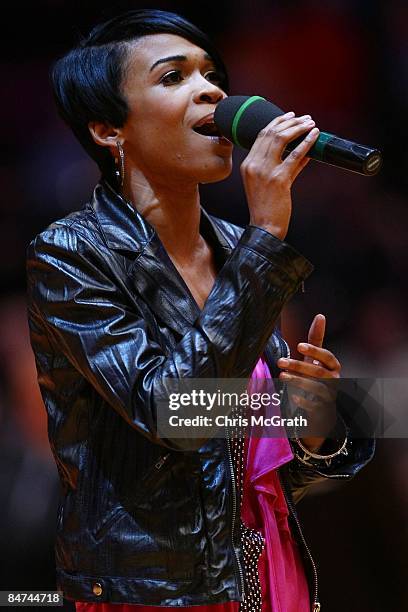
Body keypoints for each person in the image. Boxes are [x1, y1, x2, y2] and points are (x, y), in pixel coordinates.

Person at [26, 9, 375, 612]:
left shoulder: (240, 250)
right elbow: (176, 417)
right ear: (110, 129)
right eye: (173, 77)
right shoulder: (71, 255)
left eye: (211, 72)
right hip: (157, 594)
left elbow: (241, 469)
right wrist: (267, 232)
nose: (212, 90)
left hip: (266, 571)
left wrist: (312, 419)